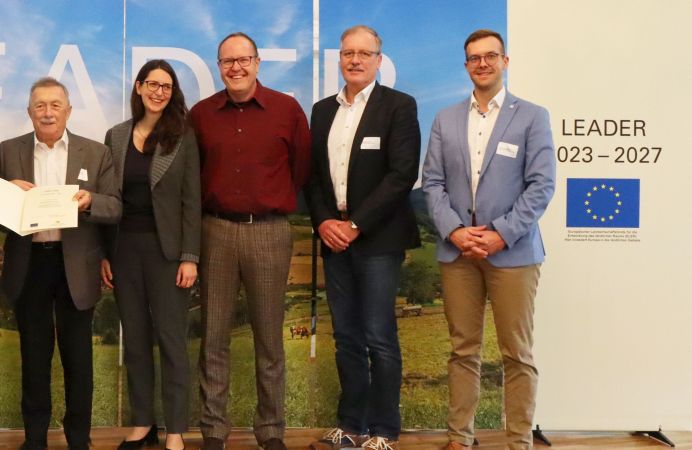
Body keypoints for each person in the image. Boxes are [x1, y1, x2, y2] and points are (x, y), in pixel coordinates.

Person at [421, 29, 555, 450]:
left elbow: (542, 185)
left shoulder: (532, 116)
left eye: (490, 56)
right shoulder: (445, 118)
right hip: (457, 253)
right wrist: (457, 232)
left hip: (513, 252)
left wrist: (500, 233)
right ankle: (460, 438)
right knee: (463, 352)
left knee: (517, 354)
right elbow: (433, 184)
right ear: (465, 66)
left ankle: (518, 441)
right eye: (474, 58)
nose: (482, 63)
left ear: (505, 61)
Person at [189, 31, 311, 450]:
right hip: (216, 231)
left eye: (243, 60)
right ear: (219, 67)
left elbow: (300, 170)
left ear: (258, 63)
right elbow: (192, 177)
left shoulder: (287, 110)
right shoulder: (201, 114)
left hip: (269, 232)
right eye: (227, 62)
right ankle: (214, 432)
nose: (236, 68)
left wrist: (268, 203)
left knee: (269, 338)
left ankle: (272, 432)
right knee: (214, 336)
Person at [304, 25, 421, 450]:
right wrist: (323, 223)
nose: (354, 60)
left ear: (378, 59)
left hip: (377, 239)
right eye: (347, 52)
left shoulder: (398, 107)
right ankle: (351, 424)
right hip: (333, 238)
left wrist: (356, 225)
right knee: (346, 336)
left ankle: (384, 429)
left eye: (363, 53)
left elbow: (401, 174)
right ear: (339, 58)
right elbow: (312, 177)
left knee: (378, 335)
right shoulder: (321, 111)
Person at [0, 77, 120, 450]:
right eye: (40, 106)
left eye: (55, 105)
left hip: (76, 266)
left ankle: (79, 439)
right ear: (29, 111)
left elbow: (115, 207)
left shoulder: (95, 153)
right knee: (34, 358)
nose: (47, 112)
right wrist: (7, 195)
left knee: (78, 360)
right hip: (29, 263)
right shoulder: (9, 150)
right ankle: (35, 440)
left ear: (68, 110)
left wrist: (89, 201)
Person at [99, 60, 200, 450]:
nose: (159, 92)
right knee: (136, 342)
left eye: (167, 86)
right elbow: (109, 200)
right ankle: (143, 423)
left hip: (168, 254)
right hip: (125, 251)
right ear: (139, 87)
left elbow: (192, 200)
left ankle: (174, 429)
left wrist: (190, 256)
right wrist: (106, 255)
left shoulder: (183, 136)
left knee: (172, 341)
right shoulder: (116, 135)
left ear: (173, 93)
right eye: (152, 84)